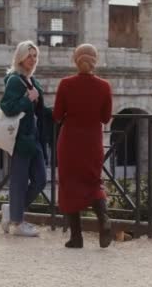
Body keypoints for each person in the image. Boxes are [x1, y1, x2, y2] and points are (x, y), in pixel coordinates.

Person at [52, 43, 113, 248]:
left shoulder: (65, 84)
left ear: (74, 60)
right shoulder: (105, 86)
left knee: (69, 185)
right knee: (93, 182)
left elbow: (57, 115)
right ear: (96, 61)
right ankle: (103, 220)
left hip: (70, 141)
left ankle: (76, 237)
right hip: (92, 141)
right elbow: (105, 118)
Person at [0, 40, 50, 237]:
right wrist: (27, 99)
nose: (33, 59)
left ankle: (11, 211)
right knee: (19, 180)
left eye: (35, 56)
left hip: (34, 137)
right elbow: (8, 107)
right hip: (20, 138)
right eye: (29, 55)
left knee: (40, 180)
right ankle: (17, 222)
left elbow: (38, 111)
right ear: (20, 57)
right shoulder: (14, 80)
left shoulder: (33, 81)